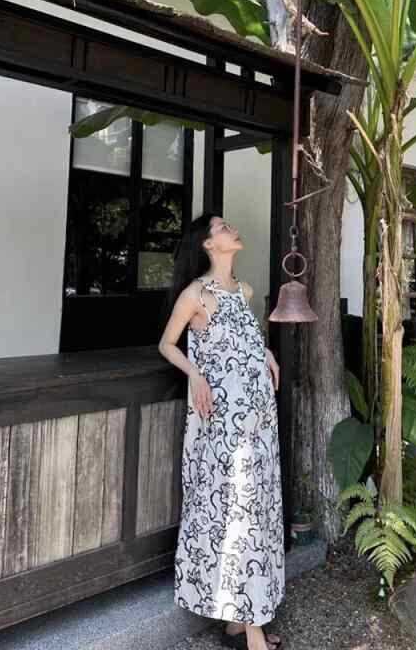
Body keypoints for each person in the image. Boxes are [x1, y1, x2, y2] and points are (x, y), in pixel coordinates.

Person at [158, 212, 285, 650]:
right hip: (225, 426)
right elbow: (167, 343)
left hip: (259, 419)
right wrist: (194, 373)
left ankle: (235, 623)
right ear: (209, 244)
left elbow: (240, 341)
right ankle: (253, 634)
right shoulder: (195, 294)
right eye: (222, 227)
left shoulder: (243, 290)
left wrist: (265, 351)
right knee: (237, 516)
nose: (231, 229)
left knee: (258, 512)